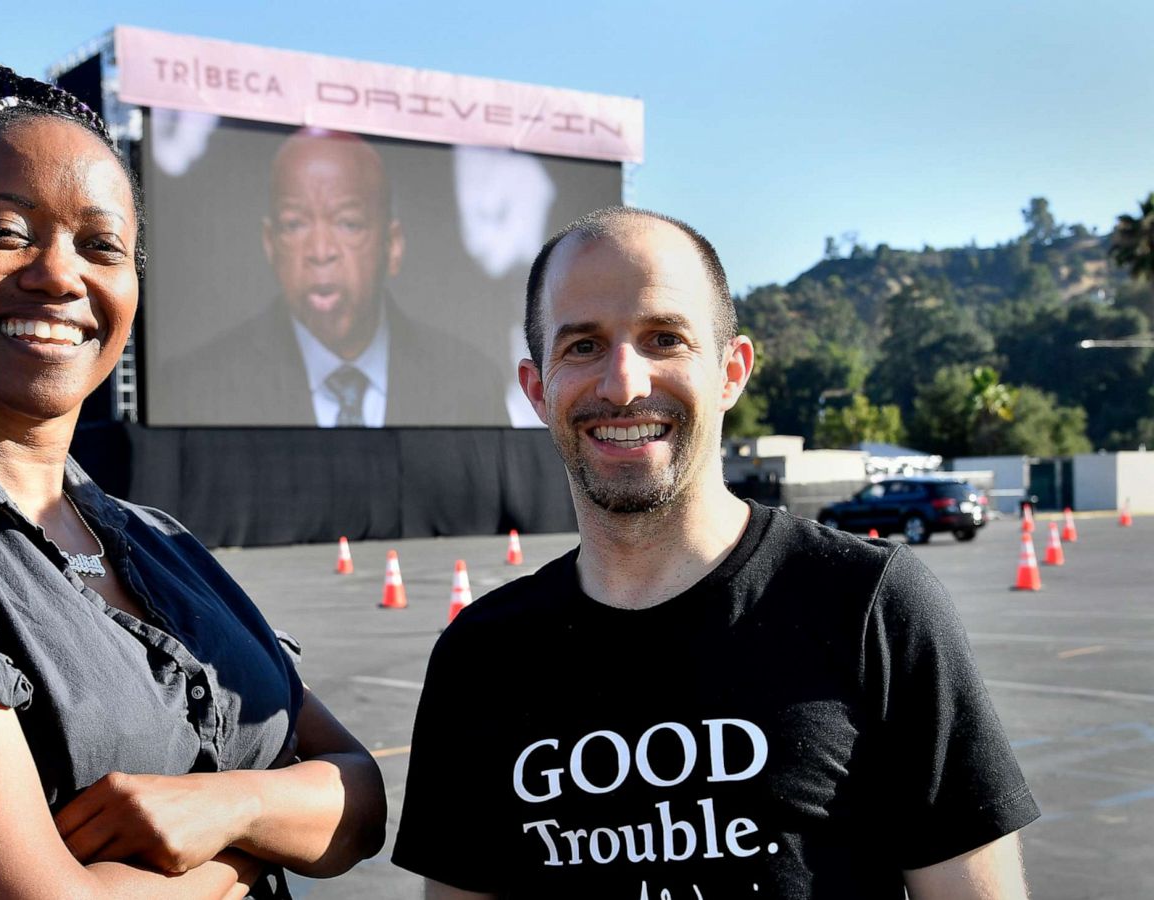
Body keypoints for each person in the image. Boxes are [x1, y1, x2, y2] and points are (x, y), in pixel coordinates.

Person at [0, 61, 385, 899]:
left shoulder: (160, 544)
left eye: (100, 246)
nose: (57, 273)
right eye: (6, 231)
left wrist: (226, 805)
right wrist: (251, 855)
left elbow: (360, 798)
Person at [392, 207, 1037, 898]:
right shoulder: (480, 658)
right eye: (582, 346)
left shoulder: (869, 605)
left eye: (664, 338)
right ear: (536, 389)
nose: (624, 383)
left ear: (732, 372)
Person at [158, 128, 508, 427]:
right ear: (270, 245)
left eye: (348, 223)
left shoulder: (471, 382)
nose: (321, 250)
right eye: (295, 224)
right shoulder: (194, 388)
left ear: (393, 246)